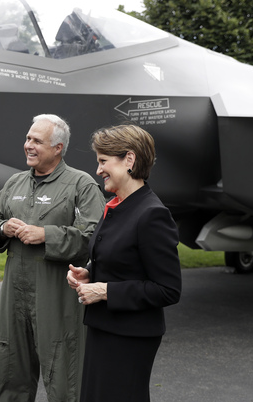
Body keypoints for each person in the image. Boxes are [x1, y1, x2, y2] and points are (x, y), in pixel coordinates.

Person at [0, 114, 105, 402]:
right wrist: (3, 228)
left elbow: (95, 236)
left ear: (58, 148)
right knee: (9, 370)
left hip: (57, 295)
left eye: (37, 141)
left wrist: (46, 235)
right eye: (28, 138)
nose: (28, 145)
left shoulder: (81, 185)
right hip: (14, 297)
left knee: (64, 376)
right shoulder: (15, 183)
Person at [67, 124, 182, 402]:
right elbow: (124, 262)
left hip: (130, 337)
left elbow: (167, 289)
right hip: (104, 329)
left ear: (129, 160)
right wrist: (90, 274)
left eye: (103, 161)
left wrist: (104, 290)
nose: (98, 170)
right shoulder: (118, 204)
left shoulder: (152, 214)